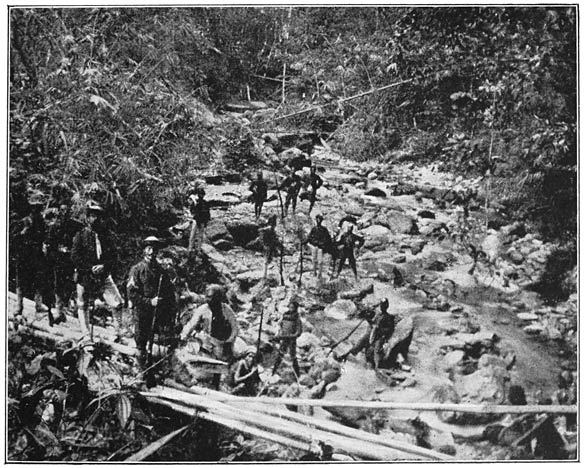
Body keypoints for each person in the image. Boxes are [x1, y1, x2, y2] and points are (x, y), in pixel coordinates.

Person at [71, 201, 123, 341]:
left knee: (117, 302)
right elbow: (75, 257)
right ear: (87, 218)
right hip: (85, 276)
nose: (96, 219)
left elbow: (114, 256)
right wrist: (89, 269)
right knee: (83, 304)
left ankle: (117, 333)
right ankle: (85, 333)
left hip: (103, 275)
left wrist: (104, 266)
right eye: (93, 216)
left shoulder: (106, 236)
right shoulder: (80, 236)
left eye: (98, 216)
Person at [127, 236, 177, 374]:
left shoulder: (161, 272)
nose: (151, 252)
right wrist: (149, 302)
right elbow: (132, 293)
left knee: (158, 341)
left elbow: (169, 292)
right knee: (141, 341)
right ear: (144, 250)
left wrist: (167, 308)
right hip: (142, 312)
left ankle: (155, 368)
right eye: (148, 248)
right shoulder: (137, 269)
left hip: (157, 313)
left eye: (154, 249)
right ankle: (140, 370)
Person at [180, 284, 238, 370]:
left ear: (218, 298)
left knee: (222, 366)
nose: (209, 300)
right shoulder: (202, 309)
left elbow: (235, 328)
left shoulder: (227, 310)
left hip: (222, 343)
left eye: (212, 298)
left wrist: (230, 341)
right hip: (207, 342)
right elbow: (191, 324)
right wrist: (183, 336)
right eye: (208, 297)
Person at [12, 191, 50, 318]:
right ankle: (19, 305)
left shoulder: (42, 222)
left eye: (39, 207)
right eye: (35, 207)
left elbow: (45, 237)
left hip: (37, 254)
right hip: (24, 254)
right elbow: (14, 239)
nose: (37, 209)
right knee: (21, 280)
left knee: (39, 280)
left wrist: (45, 244)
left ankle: (38, 304)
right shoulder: (24, 221)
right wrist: (24, 231)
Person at [45, 199, 80, 325]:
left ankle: (63, 309)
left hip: (72, 261)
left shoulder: (76, 226)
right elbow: (50, 244)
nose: (64, 213)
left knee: (70, 286)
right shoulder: (55, 227)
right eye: (62, 210)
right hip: (59, 260)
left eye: (66, 210)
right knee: (58, 284)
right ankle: (59, 311)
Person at [271, 295, 302, 377]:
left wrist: (287, 336)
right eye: (290, 307)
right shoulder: (285, 317)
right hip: (284, 339)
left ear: (296, 309)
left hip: (291, 341)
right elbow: (280, 327)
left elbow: (298, 333)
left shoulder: (297, 320)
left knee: (293, 357)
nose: (291, 309)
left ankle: (297, 375)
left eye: (293, 308)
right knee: (280, 354)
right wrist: (278, 336)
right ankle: (273, 372)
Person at [306, 214, 333, 279]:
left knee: (320, 261)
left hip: (320, 247)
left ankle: (319, 274)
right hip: (314, 246)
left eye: (319, 220)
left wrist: (322, 244)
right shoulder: (314, 229)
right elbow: (310, 237)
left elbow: (327, 238)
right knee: (314, 260)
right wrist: (312, 242)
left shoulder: (324, 229)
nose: (318, 221)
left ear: (321, 221)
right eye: (317, 220)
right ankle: (314, 272)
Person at [260, 214, 283, 281]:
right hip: (268, 246)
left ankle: (265, 273)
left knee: (268, 259)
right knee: (267, 260)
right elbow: (264, 238)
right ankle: (265, 274)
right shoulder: (269, 230)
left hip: (271, 246)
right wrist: (265, 245)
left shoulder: (271, 230)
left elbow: (274, 239)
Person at [188, 187, 211, 254]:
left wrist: (206, 221)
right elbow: (192, 210)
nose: (201, 196)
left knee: (198, 236)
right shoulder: (196, 202)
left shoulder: (204, 203)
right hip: (197, 220)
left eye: (202, 194)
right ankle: (191, 249)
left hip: (201, 221)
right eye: (200, 194)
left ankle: (197, 249)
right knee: (193, 235)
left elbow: (207, 213)